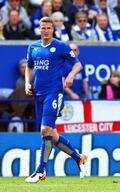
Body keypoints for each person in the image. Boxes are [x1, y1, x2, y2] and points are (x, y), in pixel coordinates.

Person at [24, 17, 87, 183]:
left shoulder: (60, 46)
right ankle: (78, 158)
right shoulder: (33, 47)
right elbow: (29, 67)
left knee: (45, 130)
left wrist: (71, 76)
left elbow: (78, 64)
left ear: (53, 29)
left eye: (48, 28)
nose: (45, 30)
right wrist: (27, 83)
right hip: (38, 93)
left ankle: (40, 170)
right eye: (43, 27)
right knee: (51, 133)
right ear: (39, 29)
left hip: (54, 93)